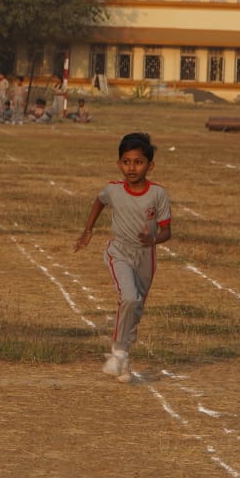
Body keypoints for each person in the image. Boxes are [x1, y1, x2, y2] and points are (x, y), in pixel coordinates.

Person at [72, 132, 172, 383]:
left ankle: (124, 356)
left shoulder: (158, 194)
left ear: (151, 165)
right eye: (126, 161)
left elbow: (166, 231)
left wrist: (154, 239)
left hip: (146, 256)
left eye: (138, 162)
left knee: (136, 307)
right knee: (128, 296)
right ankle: (116, 352)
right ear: (119, 164)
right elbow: (99, 201)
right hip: (119, 252)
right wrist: (88, 230)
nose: (131, 167)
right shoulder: (114, 190)